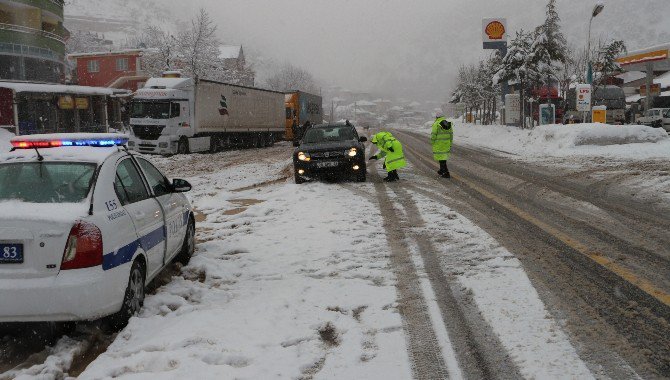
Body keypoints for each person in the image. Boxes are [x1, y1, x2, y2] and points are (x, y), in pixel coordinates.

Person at [431, 114, 453, 178]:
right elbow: (451, 134)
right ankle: (442, 170)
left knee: (441, 158)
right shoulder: (448, 124)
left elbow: (433, 134)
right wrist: (450, 143)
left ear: (437, 117)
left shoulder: (436, 124)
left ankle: (445, 172)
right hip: (446, 144)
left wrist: (432, 142)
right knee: (443, 157)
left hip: (439, 144)